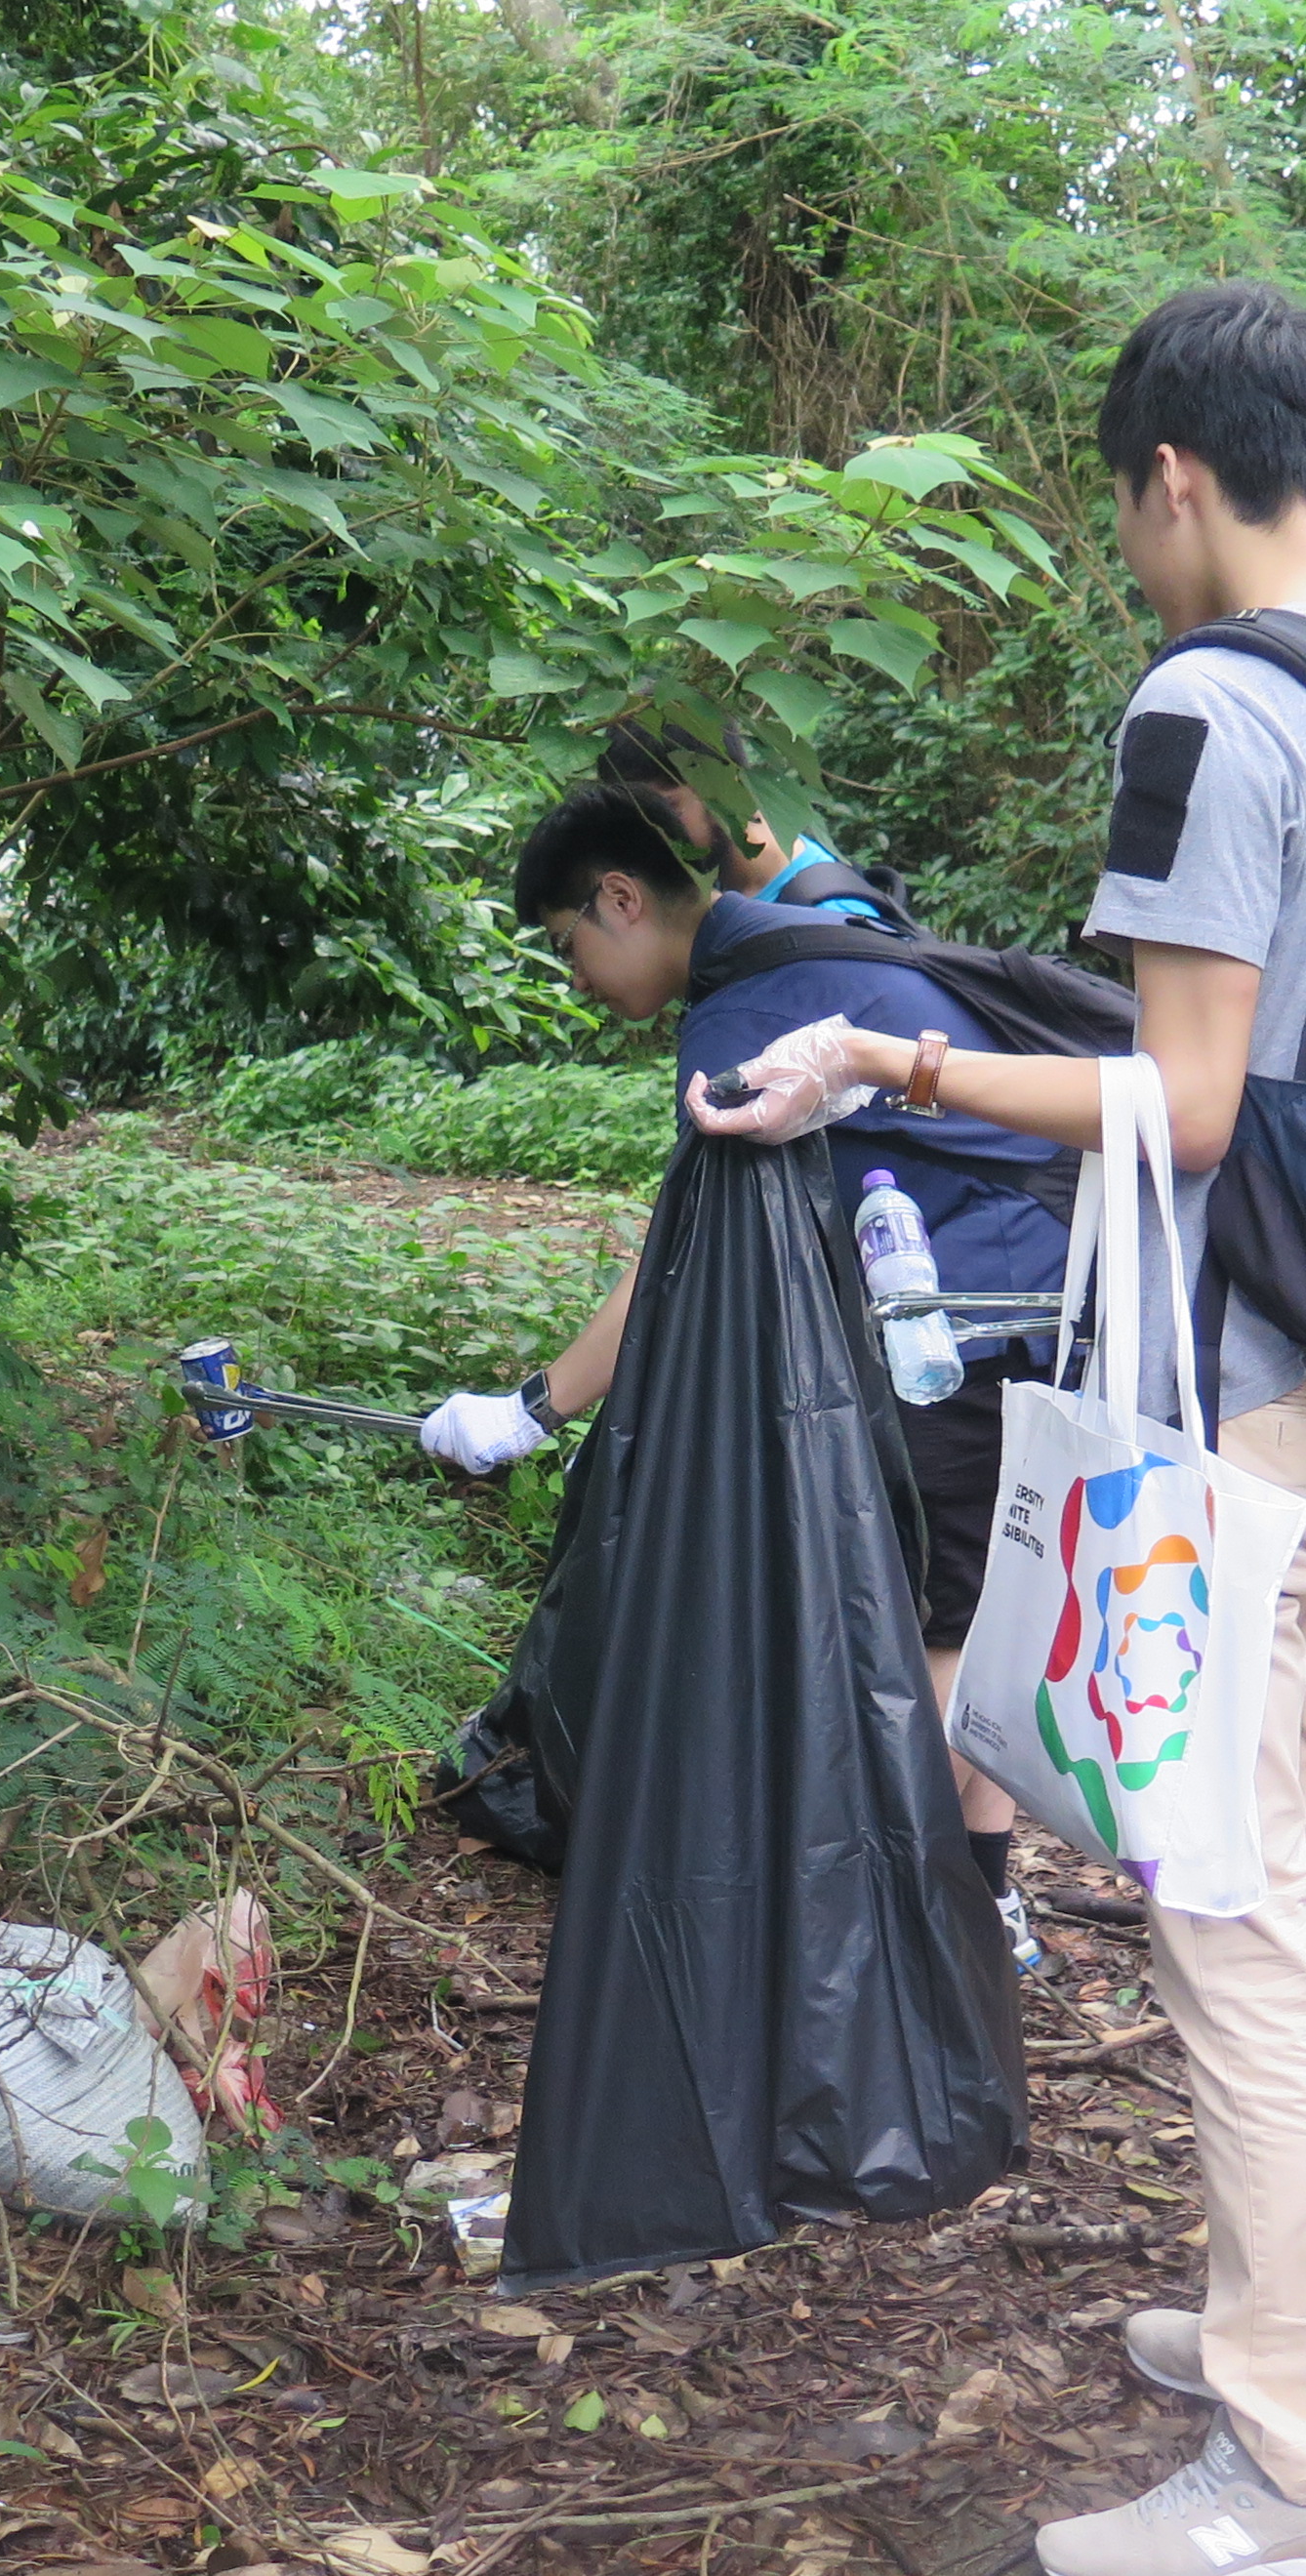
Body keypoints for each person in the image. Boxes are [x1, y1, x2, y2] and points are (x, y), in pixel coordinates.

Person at [684, 280, 1306, 2576]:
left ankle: (1296, 2468)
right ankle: (1290, 2322)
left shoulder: (1218, 702)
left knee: (1216, 1887)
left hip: (1246, 1385)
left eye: (1128, 512)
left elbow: (1187, 1100)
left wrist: (890, 1069)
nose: (1135, 552)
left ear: (1174, 482)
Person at [414, 782, 1068, 1958]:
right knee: (963, 1615)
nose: (576, 982)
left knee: (923, 1632)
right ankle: (976, 1903)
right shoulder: (814, 924)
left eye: (569, 948)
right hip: (1029, 1309)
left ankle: (928, 1931)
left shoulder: (747, 1003)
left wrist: (529, 1407)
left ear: (621, 899)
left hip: (948, 1331)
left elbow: (681, 1253)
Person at [598, 716, 908, 925]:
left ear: (729, 788)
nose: (651, 837)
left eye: (666, 811)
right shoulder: (714, 882)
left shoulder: (832, 918)